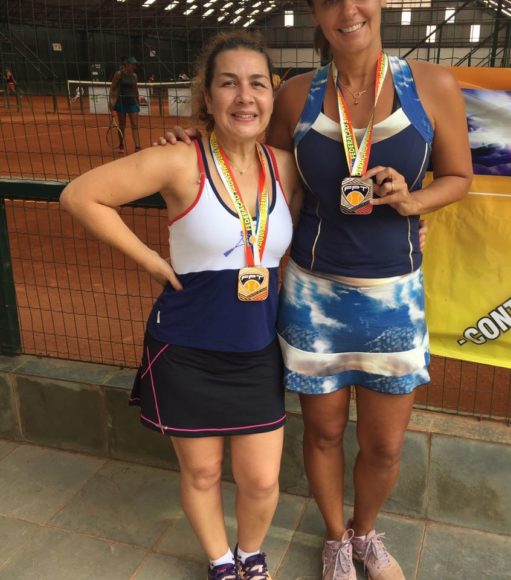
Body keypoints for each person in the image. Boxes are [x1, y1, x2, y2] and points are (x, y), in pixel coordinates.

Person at [160, 1, 473, 578]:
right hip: (312, 295)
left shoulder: (432, 85)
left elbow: (459, 176)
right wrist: (194, 142)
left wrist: (414, 202)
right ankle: (335, 539)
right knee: (324, 432)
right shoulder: (296, 94)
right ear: (315, 13)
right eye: (329, 0)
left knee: (384, 446)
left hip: (394, 298)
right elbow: (251, 158)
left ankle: (366, 533)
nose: (347, 11)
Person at [60, 32, 302, 580]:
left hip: (257, 351)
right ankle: (221, 563)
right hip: (187, 349)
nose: (245, 96)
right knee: (202, 474)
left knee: (262, 479)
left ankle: (251, 556)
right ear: (208, 97)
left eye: (257, 84)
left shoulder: (288, 168)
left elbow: (343, 213)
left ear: (272, 94)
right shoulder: (178, 159)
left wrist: (414, 226)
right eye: (229, 84)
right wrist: (150, 260)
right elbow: (79, 195)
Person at [108, 56, 142, 154]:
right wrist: (111, 105)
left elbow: (135, 89)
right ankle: (121, 145)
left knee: (135, 125)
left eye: (135, 65)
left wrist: (137, 101)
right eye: (133, 64)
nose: (135, 66)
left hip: (132, 103)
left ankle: (137, 147)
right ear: (127, 64)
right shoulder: (118, 74)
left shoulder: (134, 76)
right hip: (121, 104)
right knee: (122, 126)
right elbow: (112, 89)